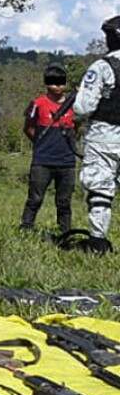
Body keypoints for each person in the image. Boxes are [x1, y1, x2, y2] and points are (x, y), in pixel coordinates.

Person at [72, 16, 120, 242]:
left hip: (104, 136)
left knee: (100, 191)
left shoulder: (102, 67)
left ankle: (98, 242)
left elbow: (83, 107)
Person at [21, 64, 77, 233]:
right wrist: (40, 143)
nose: (58, 86)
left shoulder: (75, 104)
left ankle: (65, 231)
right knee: (35, 198)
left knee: (64, 201)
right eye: (54, 82)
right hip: (42, 160)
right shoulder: (38, 104)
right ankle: (26, 228)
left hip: (67, 161)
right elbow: (28, 128)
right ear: (47, 83)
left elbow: (78, 127)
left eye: (61, 82)